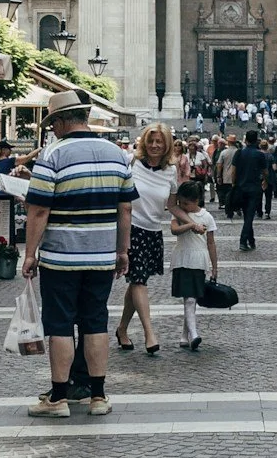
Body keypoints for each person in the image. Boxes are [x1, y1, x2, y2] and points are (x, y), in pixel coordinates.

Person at [22, 88, 133, 419]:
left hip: (61, 256)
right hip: (101, 255)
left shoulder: (52, 155)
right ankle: (98, 396)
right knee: (95, 321)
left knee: (59, 324)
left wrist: (30, 253)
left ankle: (57, 398)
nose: (52, 129)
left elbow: (39, 210)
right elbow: (125, 208)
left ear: (60, 121)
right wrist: (122, 250)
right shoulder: (117, 154)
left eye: (52, 123)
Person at [120, 125, 176, 357]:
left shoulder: (170, 171)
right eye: (151, 141)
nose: (154, 145)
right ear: (144, 142)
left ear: (167, 145)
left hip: (152, 232)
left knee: (136, 282)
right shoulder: (130, 162)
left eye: (159, 142)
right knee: (139, 281)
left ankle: (122, 329)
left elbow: (172, 206)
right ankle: (149, 333)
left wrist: (193, 221)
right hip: (130, 229)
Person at [167, 178, 218, 352]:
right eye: (180, 202)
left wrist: (215, 267)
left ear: (196, 201)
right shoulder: (179, 215)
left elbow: (211, 243)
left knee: (190, 299)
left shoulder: (207, 217)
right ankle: (193, 334)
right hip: (182, 258)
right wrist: (190, 225)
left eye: (186, 203)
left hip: (198, 259)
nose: (181, 205)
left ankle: (187, 335)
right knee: (188, 299)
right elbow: (174, 230)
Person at [228, 130, 266, 252]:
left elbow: (233, 171)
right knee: (249, 216)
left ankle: (251, 240)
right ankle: (243, 241)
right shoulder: (260, 154)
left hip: (241, 188)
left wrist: (234, 184)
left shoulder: (239, 153)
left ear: (246, 140)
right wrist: (264, 180)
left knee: (247, 216)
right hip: (254, 189)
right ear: (256, 140)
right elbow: (265, 171)